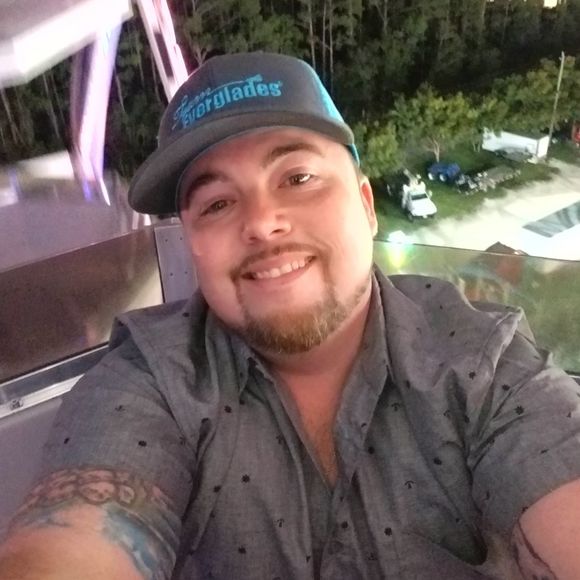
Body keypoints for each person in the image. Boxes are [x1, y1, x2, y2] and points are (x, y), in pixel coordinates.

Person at [1, 52, 579, 580]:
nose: (261, 222)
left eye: (297, 178)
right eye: (217, 203)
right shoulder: (149, 384)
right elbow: (73, 540)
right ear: (192, 244)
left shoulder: (481, 363)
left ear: (366, 206)